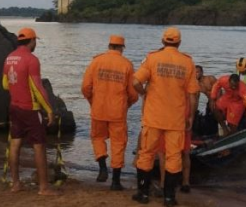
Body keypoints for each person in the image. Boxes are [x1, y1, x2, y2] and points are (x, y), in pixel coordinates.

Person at [132, 27, 199, 207]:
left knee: (146, 154)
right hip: (176, 120)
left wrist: (143, 92)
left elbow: (135, 81)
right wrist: (191, 117)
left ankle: (143, 194)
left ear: (163, 41)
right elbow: (193, 95)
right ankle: (169, 198)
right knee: (173, 157)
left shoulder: (152, 58)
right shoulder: (187, 62)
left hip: (153, 118)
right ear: (179, 42)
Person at [2, 27, 60, 196]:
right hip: (30, 109)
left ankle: (16, 184)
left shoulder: (9, 58)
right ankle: (43, 188)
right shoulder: (31, 59)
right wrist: (49, 110)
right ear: (32, 41)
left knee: (15, 144)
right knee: (39, 147)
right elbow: (37, 87)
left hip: (14, 106)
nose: (36, 44)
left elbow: (5, 84)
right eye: (35, 41)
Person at [81, 35, 139, 190]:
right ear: (122, 48)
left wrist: (93, 102)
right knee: (118, 144)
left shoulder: (96, 62)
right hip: (117, 112)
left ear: (109, 46)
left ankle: (102, 167)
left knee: (97, 138)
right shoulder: (127, 65)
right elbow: (133, 94)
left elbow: (85, 87)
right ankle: (116, 182)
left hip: (98, 109)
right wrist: (127, 104)